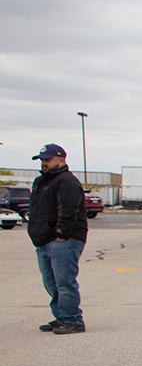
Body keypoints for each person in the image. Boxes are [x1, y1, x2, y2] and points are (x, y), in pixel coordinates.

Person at [28, 143, 88, 334]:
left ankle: (73, 320)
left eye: (48, 159)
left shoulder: (67, 182)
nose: (44, 163)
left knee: (64, 282)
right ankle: (61, 317)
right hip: (44, 240)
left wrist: (61, 235)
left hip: (64, 240)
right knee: (51, 282)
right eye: (42, 160)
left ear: (61, 160)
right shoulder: (40, 181)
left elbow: (68, 211)